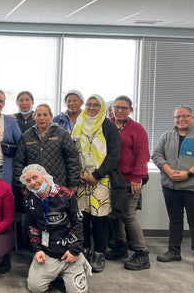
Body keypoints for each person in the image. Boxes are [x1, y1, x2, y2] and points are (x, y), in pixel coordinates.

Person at [21, 164, 89, 293]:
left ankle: (78, 261)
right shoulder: (29, 200)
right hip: (48, 252)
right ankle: (56, 273)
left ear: (44, 175)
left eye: (35, 177)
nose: (33, 183)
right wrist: (37, 250)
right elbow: (31, 227)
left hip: (69, 251)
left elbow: (78, 222)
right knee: (35, 288)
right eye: (28, 181)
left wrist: (75, 251)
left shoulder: (65, 194)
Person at [72, 94, 120, 273]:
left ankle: (99, 253)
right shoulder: (79, 123)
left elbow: (114, 155)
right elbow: (72, 150)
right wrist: (78, 172)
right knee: (82, 216)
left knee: (99, 218)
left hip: (101, 179)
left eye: (96, 105)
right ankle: (84, 250)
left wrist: (97, 175)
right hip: (81, 179)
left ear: (101, 108)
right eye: (89, 105)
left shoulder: (108, 127)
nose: (92, 108)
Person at [106, 96, 151, 270]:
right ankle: (120, 245)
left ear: (130, 110)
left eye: (124, 108)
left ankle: (142, 252)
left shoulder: (136, 129)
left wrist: (137, 177)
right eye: (117, 107)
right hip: (111, 178)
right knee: (114, 213)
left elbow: (143, 154)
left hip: (130, 179)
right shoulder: (107, 125)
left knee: (128, 215)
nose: (120, 111)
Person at [152, 105, 194, 264]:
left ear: (192, 118)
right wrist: (168, 171)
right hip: (170, 186)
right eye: (177, 117)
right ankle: (173, 251)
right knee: (175, 219)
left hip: (191, 187)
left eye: (184, 116)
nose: (181, 119)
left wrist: (188, 173)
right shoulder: (166, 135)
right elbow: (156, 155)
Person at [13, 103, 80, 193]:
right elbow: (18, 162)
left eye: (45, 114)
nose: (42, 118)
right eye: (39, 115)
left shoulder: (62, 134)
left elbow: (72, 159)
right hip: (33, 187)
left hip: (58, 185)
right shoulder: (26, 136)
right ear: (34, 117)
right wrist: (22, 184)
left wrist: (73, 182)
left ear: (51, 116)